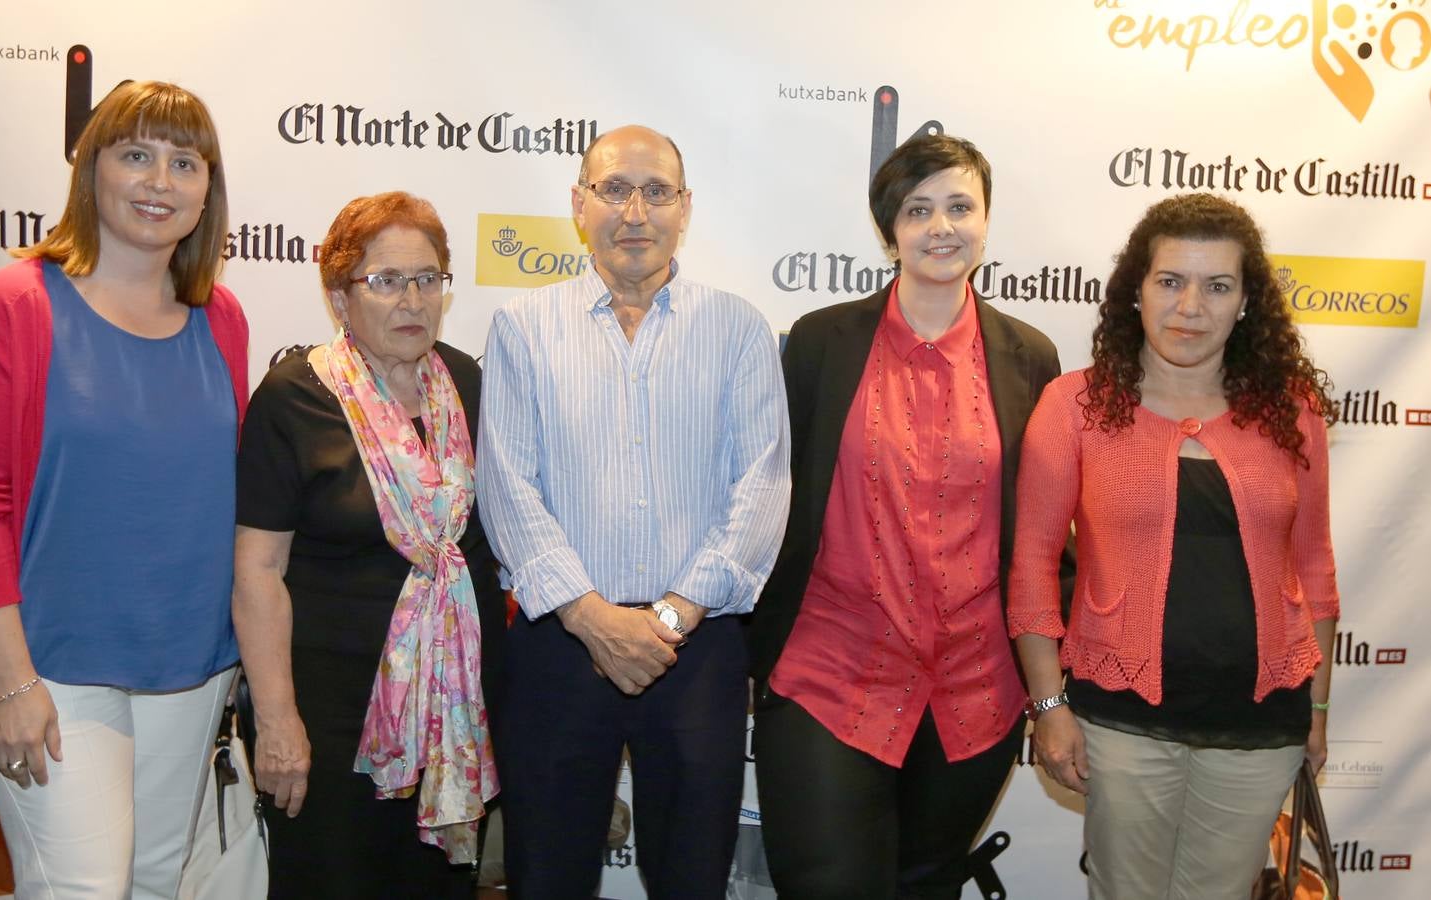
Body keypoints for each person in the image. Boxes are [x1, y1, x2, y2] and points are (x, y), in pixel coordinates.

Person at [0, 80, 248, 898]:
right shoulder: (16, 304)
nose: (159, 181)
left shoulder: (221, 319)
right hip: (50, 667)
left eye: (184, 163)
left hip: (189, 669)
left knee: (151, 886)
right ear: (91, 170)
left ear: (208, 189)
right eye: (135, 154)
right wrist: (10, 680)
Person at [746, 133, 1068, 900]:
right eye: (918, 210)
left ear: (986, 222)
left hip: (973, 687)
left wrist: (1050, 685)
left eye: (960, 206)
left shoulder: (1030, 358)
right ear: (888, 229)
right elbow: (767, 497)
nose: (940, 227)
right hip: (830, 668)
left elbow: (1044, 535)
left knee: (926, 887)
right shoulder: (821, 342)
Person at [475, 124, 790, 900]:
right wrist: (592, 618)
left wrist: (671, 620)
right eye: (614, 189)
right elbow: (507, 489)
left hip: (698, 651)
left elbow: (760, 487)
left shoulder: (738, 330)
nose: (634, 211)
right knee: (546, 875)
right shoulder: (523, 329)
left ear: (686, 208)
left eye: (656, 191)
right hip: (558, 647)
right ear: (579, 204)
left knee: (690, 878)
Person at [1007, 192, 1339, 900]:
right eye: (1169, 281)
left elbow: (1313, 566)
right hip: (1122, 720)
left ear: (1246, 302)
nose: (1190, 305)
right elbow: (1032, 566)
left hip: (1260, 726)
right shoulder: (1075, 406)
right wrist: (1045, 706)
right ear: (1136, 291)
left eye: (1217, 285)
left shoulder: (1291, 413)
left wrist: (1315, 710)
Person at [232, 191, 504, 899]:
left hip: (451, 711)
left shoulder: (466, 383)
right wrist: (278, 722)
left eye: (427, 278)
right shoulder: (295, 397)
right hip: (329, 716)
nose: (411, 299)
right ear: (338, 295)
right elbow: (258, 571)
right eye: (385, 281)